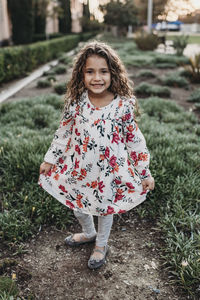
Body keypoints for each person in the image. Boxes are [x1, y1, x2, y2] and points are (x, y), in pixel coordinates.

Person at [38, 41, 155, 270]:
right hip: (78, 168)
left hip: (108, 173)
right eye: (90, 71)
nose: (97, 78)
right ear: (81, 74)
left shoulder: (122, 106)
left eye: (103, 71)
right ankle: (89, 233)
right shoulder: (76, 103)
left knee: (105, 207)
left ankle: (101, 244)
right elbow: (62, 133)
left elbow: (134, 141)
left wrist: (144, 172)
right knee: (78, 205)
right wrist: (50, 159)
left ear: (113, 74)